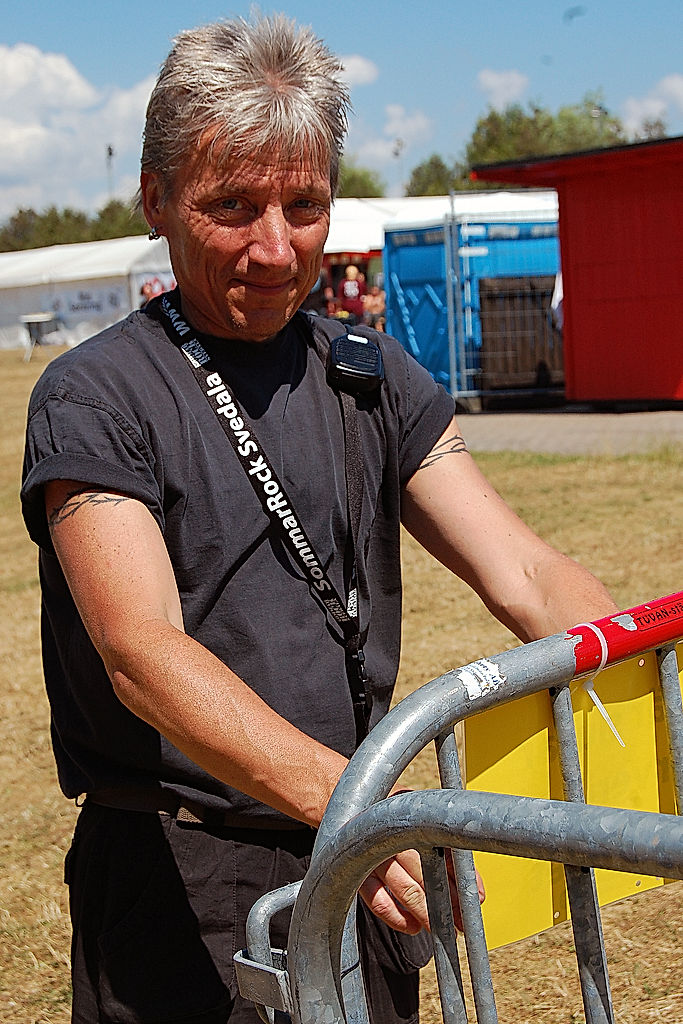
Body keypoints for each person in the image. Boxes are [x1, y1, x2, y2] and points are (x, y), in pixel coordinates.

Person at [21, 14, 618, 1024]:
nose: (273, 247)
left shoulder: (367, 372)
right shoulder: (96, 395)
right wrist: (361, 805)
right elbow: (142, 654)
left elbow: (522, 570)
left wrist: (628, 694)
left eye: (303, 206)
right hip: (182, 881)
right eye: (232, 205)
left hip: (353, 860)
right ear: (155, 199)